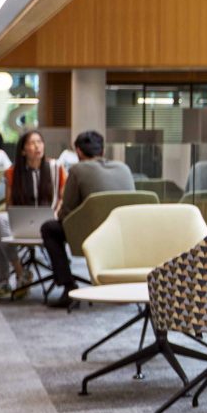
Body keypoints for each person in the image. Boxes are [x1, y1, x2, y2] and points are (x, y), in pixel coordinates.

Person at [40, 131, 134, 307]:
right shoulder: (124, 168)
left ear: (78, 151)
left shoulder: (77, 170)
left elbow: (66, 213)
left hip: (90, 236)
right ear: (103, 150)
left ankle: (68, 286)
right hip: (122, 237)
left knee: (49, 228)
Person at [0, 130, 62, 299]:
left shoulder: (56, 169)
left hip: (50, 223)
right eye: (32, 143)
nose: (37, 146)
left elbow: (62, 199)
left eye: (40, 142)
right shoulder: (13, 173)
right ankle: (20, 273)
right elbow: (10, 204)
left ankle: (4, 280)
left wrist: (56, 213)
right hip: (21, 222)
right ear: (23, 150)